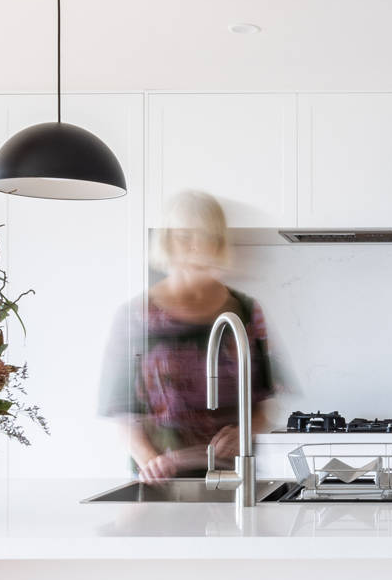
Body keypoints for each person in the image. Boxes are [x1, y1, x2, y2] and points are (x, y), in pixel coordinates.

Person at [100, 190, 278, 480]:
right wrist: (152, 462)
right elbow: (121, 410)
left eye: (206, 236)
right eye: (185, 236)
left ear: (219, 242)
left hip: (233, 477)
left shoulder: (245, 312)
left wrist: (245, 431)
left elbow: (262, 406)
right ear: (167, 241)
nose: (196, 248)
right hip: (160, 480)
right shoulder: (135, 316)